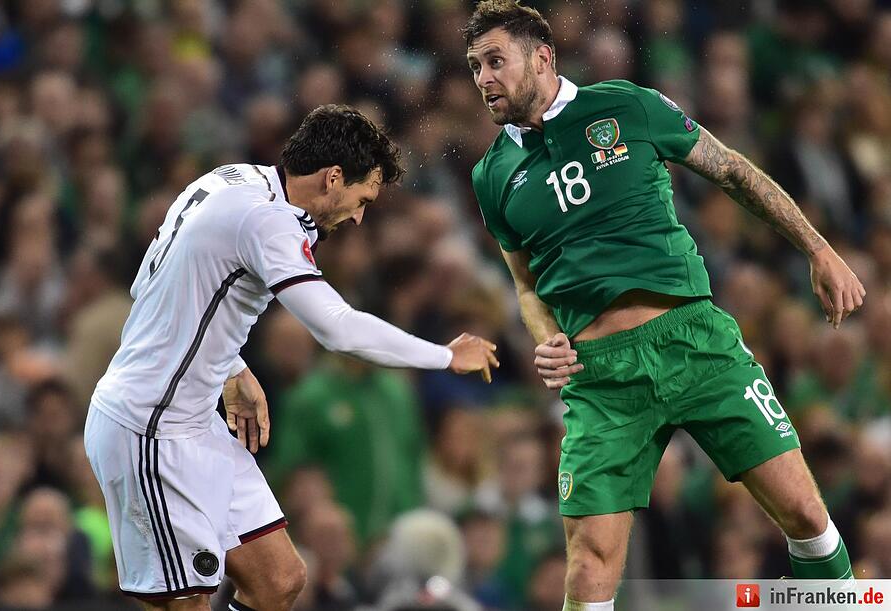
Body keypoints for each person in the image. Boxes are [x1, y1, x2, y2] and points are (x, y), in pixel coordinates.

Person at [462, 2, 865, 609]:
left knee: (806, 513)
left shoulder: (628, 105)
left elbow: (731, 171)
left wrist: (817, 248)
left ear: (542, 57)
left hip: (693, 340)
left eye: (495, 61)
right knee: (589, 565)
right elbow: (524, 283)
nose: (483, 78)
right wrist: (545, 336)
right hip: (601, 380)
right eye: (474, 67)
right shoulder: (491, 175)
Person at [84, 104, 499, 611]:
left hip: (194, 422)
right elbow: (337, 328)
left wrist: (230, 367)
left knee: (279, 580)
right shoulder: (270, 222)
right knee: (186, 604)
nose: (359, 216)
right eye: (362, 199)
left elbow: (150, 284)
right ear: (333, 178)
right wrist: (444, 355)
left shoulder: (229, 179)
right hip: (149, 427)